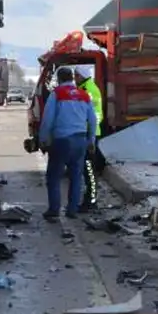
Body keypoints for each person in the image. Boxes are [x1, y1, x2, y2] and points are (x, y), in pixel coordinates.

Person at [37, 66, 97, 221]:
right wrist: (91, 140)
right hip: (80, 140)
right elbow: (92, 119)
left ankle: (54, 209)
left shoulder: (57, 94)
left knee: (54, 176)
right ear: (72, 78)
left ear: (60, 79)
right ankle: (72, 209)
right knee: (76, 177)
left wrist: (43, 140)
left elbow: (48, 119)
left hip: (62, 140)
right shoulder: (84, 95)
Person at [74, 64, 103, 210]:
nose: (74, 78)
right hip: (88, 133)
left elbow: (93, 115)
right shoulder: (87, 88)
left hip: (89, 135)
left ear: (81, 76)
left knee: (89, 168)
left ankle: (91, 200)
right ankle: (90, 198)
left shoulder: (88, 90)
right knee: (86, 168)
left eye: (76, 75)